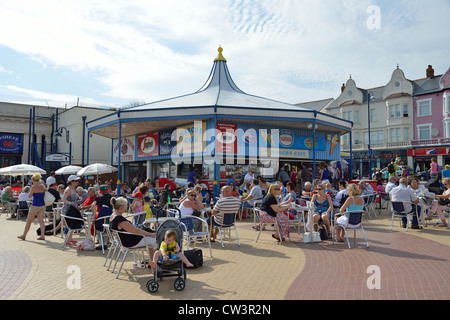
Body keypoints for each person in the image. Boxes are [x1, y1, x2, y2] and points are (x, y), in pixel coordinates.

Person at [110, 196, 157, 265]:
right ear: (121, 207)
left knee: (150, 239)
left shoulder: (113, 215)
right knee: (155, 240)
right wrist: (151, 234)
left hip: (123, 241)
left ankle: (152, 261)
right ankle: (155, 263)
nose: (126, 208)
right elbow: (136, 231)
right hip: (129, 242)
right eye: (126, 206)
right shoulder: (119, 219)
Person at [18, 173, 47, 241]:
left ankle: (24, 235)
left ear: (33, 180)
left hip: (35, 205)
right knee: (41, 221)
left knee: (29, 221)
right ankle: (42, 236)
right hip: (42, 205)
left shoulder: (33, 187)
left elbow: (29, 196)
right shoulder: (42, 186)